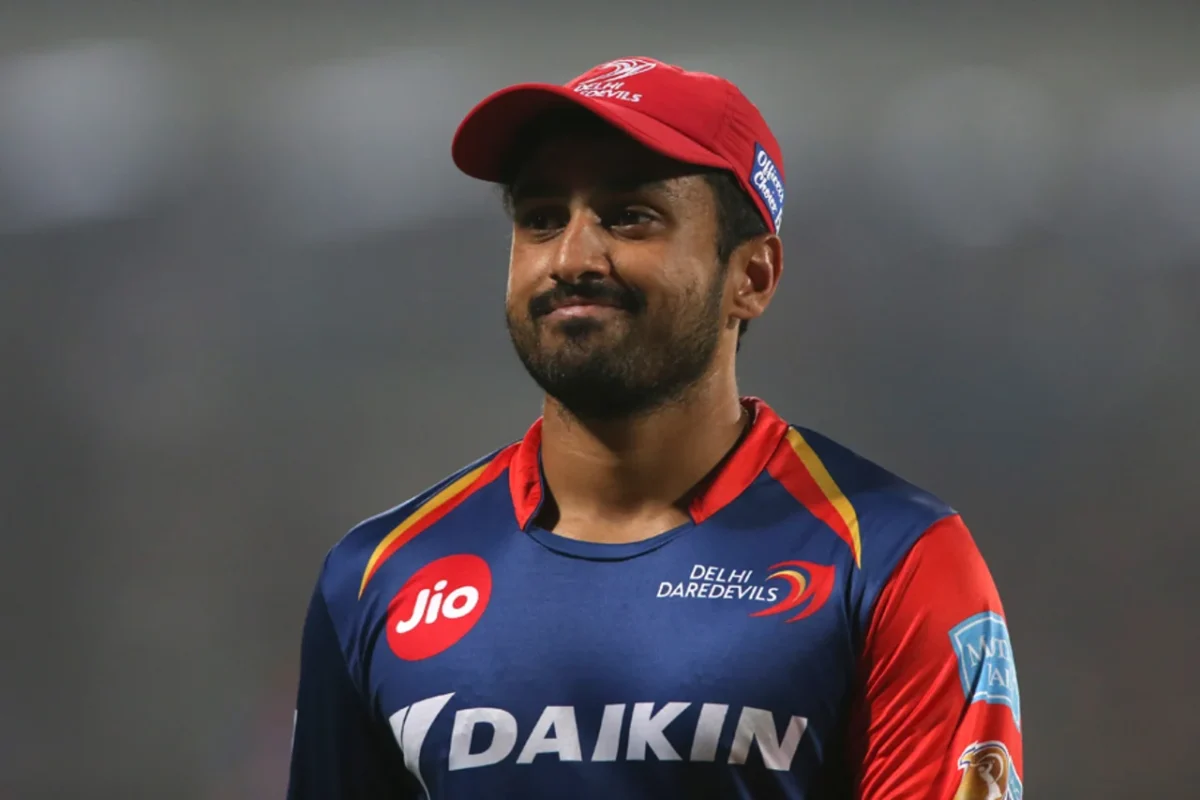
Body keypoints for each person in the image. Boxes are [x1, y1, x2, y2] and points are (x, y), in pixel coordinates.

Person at [286, 56, 1023, 800]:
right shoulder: (375, 575)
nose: (571, 257)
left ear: (753, 277)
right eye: (542, 218)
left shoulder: (893, 559)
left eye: (630, 216)